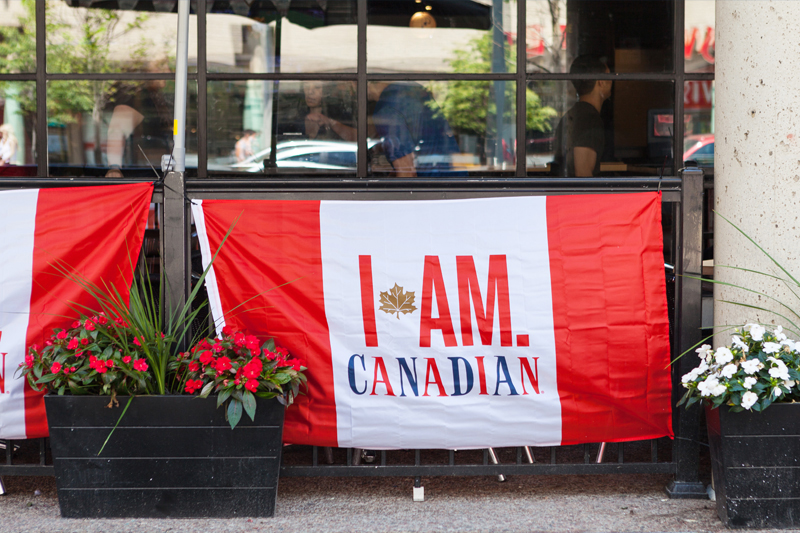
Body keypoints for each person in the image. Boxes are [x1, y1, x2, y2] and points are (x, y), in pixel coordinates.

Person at [368, 81, 459, 177]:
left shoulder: (387, 109)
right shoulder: (416, 93)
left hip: (429, 182)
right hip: (451, 179)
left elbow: (407, 172)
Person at [552, 56, 613, 177]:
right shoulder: (589, 120)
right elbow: (583, 173)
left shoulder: (572, 115)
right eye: (609, 76)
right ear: (601, 82)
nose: (612, 80)